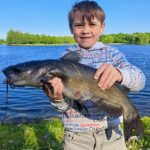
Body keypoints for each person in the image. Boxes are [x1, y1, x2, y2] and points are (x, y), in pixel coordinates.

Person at [44, 1, 145, 150]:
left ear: (102, 27)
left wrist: (120, 74)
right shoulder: (63, 61)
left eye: (92, 25)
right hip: (76, 139)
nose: (85, 30)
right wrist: (57, 99)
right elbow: (64, 107)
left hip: (112, 136)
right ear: (71, 28)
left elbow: (140, 80)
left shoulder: (113, 54)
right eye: (79, 25)